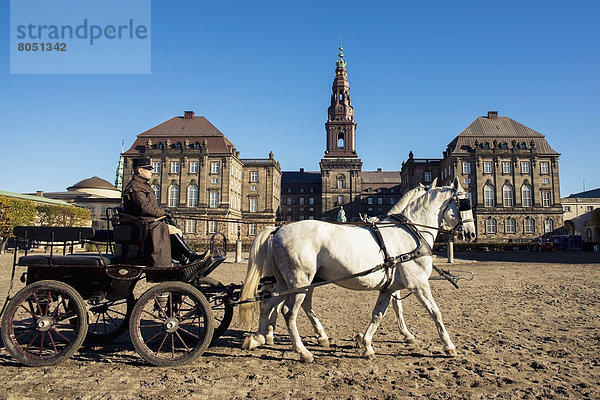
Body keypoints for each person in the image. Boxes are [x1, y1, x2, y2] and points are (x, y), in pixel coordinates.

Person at [122, 157, 204, 267]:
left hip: (147, 222)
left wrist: (164, 213)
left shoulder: (142, 185)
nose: (152, 171)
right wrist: (162, 212)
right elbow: (145, 207)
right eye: (148, 169)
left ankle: (186, 258)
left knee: (174, 228)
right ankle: (189, 256)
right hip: (143, 224)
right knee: (170, 230)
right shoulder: (135, 186)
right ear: (139, 170)